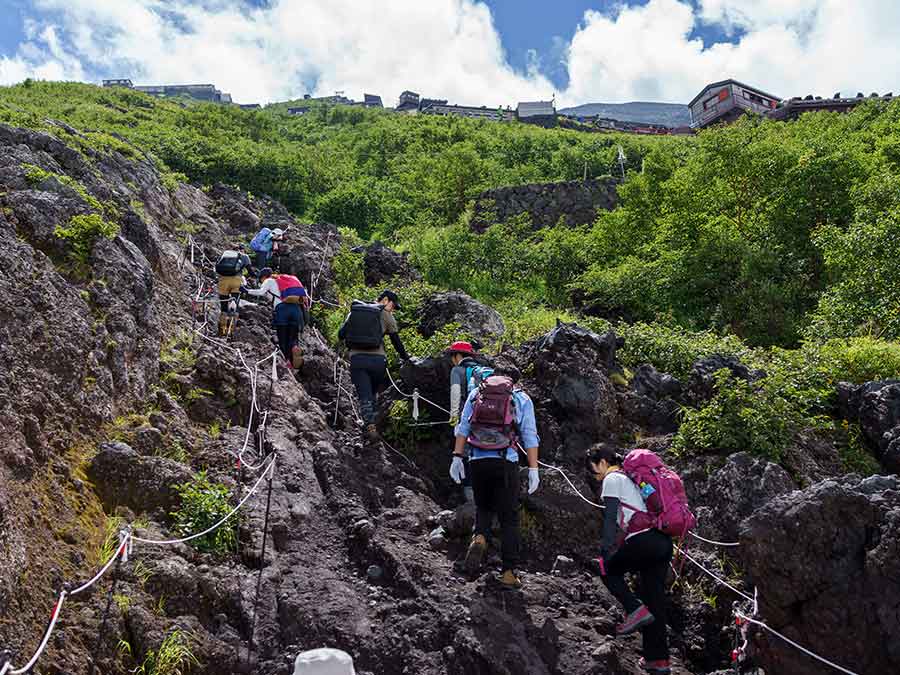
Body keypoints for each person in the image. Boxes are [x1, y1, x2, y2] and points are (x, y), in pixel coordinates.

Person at [450, 371, 540, 589]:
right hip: (505, 461)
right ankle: (509, 572)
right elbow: (529, 434)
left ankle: (480, 536)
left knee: (483, 507)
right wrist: (534, 468)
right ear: (512, 381)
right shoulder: (521, 398)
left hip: (476, 461)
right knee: (509, 517)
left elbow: (463, 427)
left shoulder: (475, 394)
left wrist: (456, 457)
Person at [587, 444, 672, 674]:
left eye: (594, 469)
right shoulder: (633, 478)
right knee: (655, 599)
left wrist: (605, 551)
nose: (595, 475)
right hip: (663, 542)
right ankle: (658, 661)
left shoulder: (612, 479)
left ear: (603, 462)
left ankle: (634, 609)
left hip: (643, 540)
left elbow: (609, 520)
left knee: (608, 570)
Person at [338, 289, 410, 440]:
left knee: (364, 395)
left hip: (357, 360)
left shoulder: (355, 312)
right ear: (385, 300)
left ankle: (369, 425)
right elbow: (396, 342)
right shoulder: (386, 315)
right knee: (373, 393)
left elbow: (341, 334)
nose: (394, 309)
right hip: (378, 361)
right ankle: (374, 422)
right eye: (393, 306)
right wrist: (406, 358)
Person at [447, 341, 493, 504]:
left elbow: (455, 395)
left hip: (469, 421)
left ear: (458, 355)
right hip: (491, 420)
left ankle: (471, 499)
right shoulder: (482, 372)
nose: (452, 359)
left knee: (467, 455)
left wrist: (454, 421)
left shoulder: (457, 370)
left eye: (452, 355)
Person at [244, 267, 304, 368]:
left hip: (282, 310)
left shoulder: (269, 281)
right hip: (296, 309)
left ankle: (287, 361)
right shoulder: (284, 280)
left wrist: (246, 290)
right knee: (293, 336)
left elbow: (261, 292)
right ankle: (294, 347)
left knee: (283, 338)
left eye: (260, 279)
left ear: (264, 277)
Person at [214, 245, 252, 337]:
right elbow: (250, 271)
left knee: (223, 307)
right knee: (235, 306)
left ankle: (222, 331)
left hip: (223, 282)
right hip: (236, 281)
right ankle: (230, 332)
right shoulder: (244, 256)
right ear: (241, 250)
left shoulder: (224, 255)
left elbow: (216, 269)